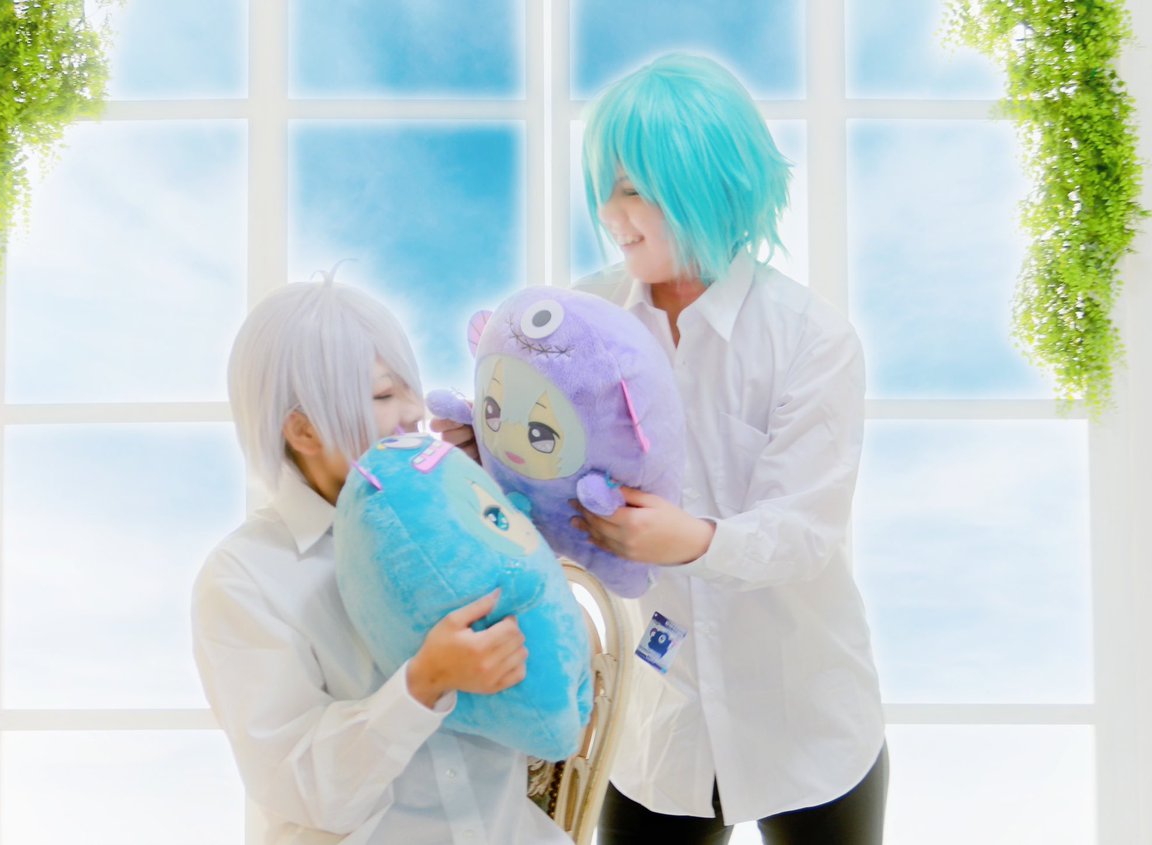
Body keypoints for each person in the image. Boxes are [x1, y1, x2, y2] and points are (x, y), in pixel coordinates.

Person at [434, 52, 887, 845]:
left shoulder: (811, 339)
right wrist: (492, 459)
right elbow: (549, 489)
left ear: (705, 184)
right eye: (605, 189)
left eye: (632, 189)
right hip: (660, 728)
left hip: (807, 718)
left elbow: (805, 531)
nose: (610, 213)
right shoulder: (584, 317)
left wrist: (694, 540)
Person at [192, 277, 571, 845]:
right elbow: (299, 788)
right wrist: (422, 685)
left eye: (409, 388)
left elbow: (551, 663)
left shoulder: (457, 514)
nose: (415, 412)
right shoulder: (244, 578)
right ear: (303, 429)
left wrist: (496, 497)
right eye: (382, 395)